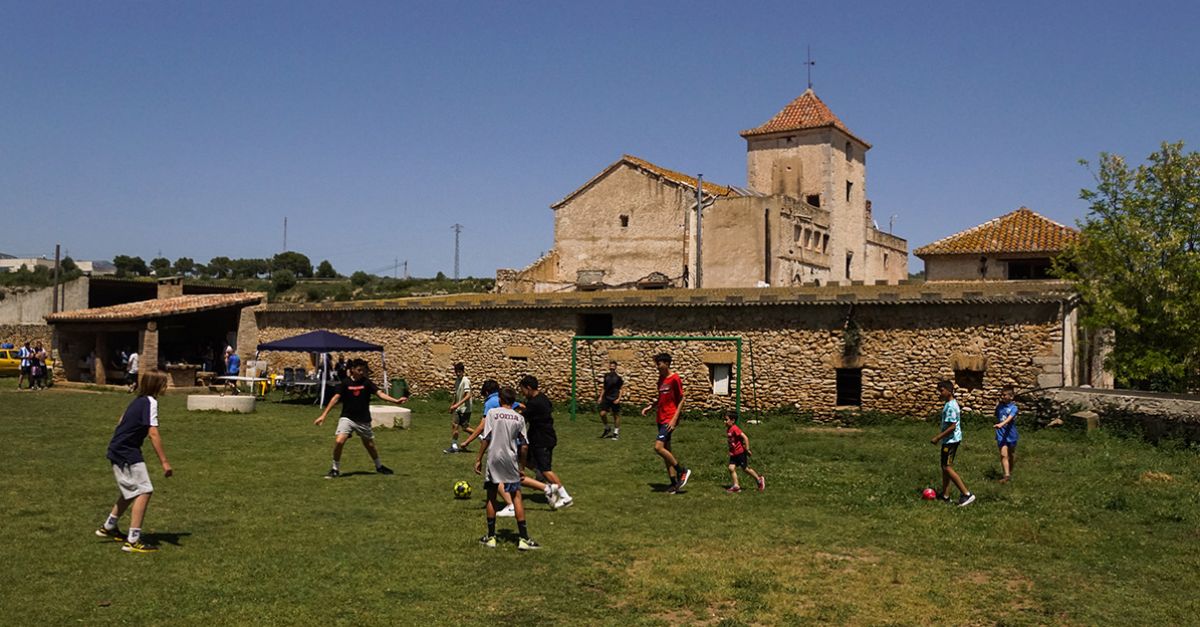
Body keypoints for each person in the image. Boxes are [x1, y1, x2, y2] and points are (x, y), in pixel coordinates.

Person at [95, 370, 173, 553]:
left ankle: (109, 526)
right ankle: (133, 540)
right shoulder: (151, 402)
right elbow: (153, 433)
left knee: (130, 490)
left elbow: (121, 420)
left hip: (118, 448)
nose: (166, 387)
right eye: (164, 384)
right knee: (145, 490)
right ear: (156, 386)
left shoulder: (137, 401)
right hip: (126, 451)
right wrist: (164, 462)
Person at [314, 358, 408, 478]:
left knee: (369, 445)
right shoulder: (345, 383)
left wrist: (396, 401)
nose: (362, 372)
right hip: (347, 418)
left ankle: (379, 466)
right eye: (359, 370)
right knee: (339, 441)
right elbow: (335, 398)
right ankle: (335, 469)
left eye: (363, 370)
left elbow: (380, 394)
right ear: (352, 369)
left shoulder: (366, 383)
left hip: (363, 419)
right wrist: (323, 415)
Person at [474, 387, 542, 550]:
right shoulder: (519, 418)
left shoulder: (492, 414)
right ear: (513, 401)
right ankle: (523, 538)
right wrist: (522, 466)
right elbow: (524, 445)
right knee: (516, 496)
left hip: (494, 459)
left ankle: (491, 537)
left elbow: (486, 437)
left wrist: (478, 458)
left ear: (500, 400)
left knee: (491, 496)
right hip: (510, 460)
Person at [519, 375, 573, 508]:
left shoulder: (534, 403)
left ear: (529, 388)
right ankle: (540, 474)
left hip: (542, 440)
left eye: (523, 390)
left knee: (546, 469)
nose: (522, 393)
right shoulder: (542, 398)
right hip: (543, 438)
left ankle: (565, 497)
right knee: (523, 458)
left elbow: (521, 418)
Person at [641, 353, 691, 494]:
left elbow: (681, 399)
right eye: (656, 364)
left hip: (669, 418)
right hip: (660, 418)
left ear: (667, 363)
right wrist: (651, 407)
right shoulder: (661, 379)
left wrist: (674, 419)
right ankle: (674, 484)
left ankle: (682, 471)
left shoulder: (675, 378)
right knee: (666, 451)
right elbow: (661, 398)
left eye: (659, 364)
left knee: (658, 447)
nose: (657, 367)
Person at [930, 380, 975, 507]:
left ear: (949, 391)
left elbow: (952, 426)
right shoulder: (950, 403)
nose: (939, 393)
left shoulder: (950, 406)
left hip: (951, 441)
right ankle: (945, 496)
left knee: (947, 467)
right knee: (944, 467)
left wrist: (937, 438)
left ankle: (966, 494)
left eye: (941, 390)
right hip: (950, 440)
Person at [723, 411, 765, 493]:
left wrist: (747, 449)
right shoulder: (729, 429)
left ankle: (759, 479)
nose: (724, 421)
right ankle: (736, 486)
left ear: (733, 420)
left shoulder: (735, 428)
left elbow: (745, 438)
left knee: (745, 469)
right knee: (731, 468)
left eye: (726, 420)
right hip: (733, 453)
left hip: (740, 453)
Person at [993, 384, 1019, 483]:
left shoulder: (1014, 408)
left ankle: (1010, 470)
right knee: (1003, 455)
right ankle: (1006, 475)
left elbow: (1010, 418)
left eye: (1004, 395)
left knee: (1010, 454)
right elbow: (997, 415)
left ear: (1011, 397)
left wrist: (1002, 424)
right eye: (1002, 395)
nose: (1002, 397)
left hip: (1011, 434)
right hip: (1001, 434)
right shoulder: (999, 407)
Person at [445, 362, 472, 453]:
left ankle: (480, 436)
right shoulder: (457, 381)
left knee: (465, 428)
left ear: (463, 371)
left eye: (459, 371)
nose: (458, 373)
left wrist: (457, 405)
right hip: (458, 409)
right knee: (454, 425)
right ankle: (454, 446)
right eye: (456, 372)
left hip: (465, 409)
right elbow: (456, 395)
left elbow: (468, 395)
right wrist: (452, 405)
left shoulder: (465, 381)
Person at [598, 360, 624, 439]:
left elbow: (621, 389)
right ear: (609, 367)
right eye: (611, 366)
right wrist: (600, 397)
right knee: (602, 414)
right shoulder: (606, 376)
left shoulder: (618, 378)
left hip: (614, 398)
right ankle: (607, 428)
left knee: (616, 416)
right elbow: (604, 388)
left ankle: (616, 432)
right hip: (606, 398)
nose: (612, 368)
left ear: (615, 368)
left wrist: (619, 399)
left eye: (613, 367)